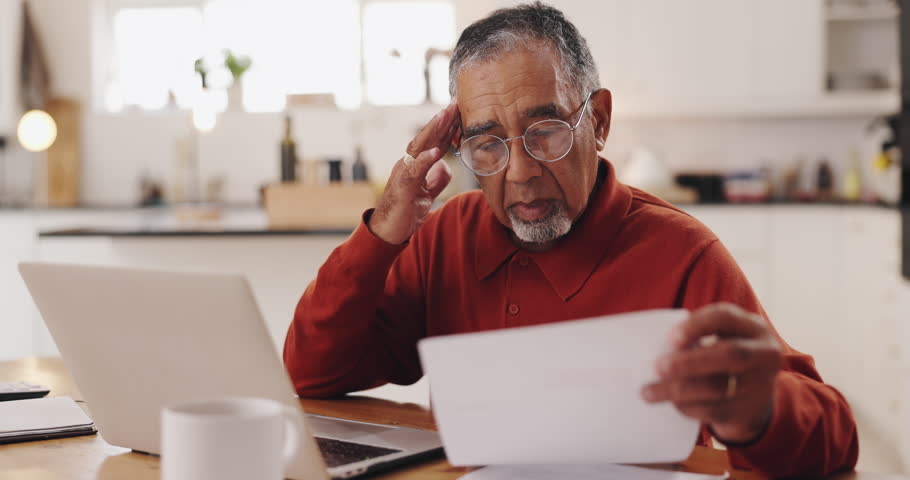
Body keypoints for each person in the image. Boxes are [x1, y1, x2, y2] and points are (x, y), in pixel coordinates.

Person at [283, 2, 858, 477]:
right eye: (488, 144)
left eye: (546, 131)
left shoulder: (681, 252)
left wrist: (758, 412)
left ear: (599, 122)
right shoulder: (446, 238)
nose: (520, 172)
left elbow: (837, 437)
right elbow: (311, 374)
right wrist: (385, 228)